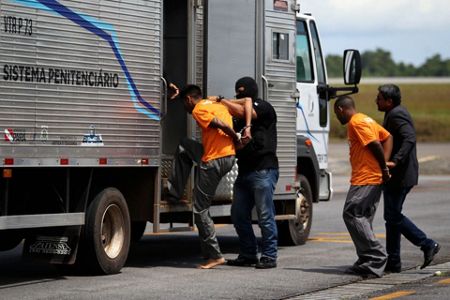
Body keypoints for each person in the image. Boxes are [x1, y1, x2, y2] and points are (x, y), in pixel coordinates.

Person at [164, 84, 242, 269]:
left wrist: (235, 136)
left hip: (214, 160)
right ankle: (175, 191)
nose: (186, 109)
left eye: (185, 104)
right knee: (184, 146)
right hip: (228, 157)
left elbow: (219, 124)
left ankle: (215, 255)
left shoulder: (199, 109)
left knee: (200, 209)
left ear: (189, 100)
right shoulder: (214, 103)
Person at [376, 84, 440, 272]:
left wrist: (395, 161)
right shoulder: (392, 113)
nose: (376, 101)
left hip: (401, 176)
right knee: (391, 217)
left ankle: (427, 244)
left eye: (379, 98)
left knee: (393, 215)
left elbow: (409, 138)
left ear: (389, 101)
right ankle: (394, 261)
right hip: (396, 176)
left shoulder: (397, 114)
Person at [220, 76, 280, 269]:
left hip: (263, 169)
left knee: (264, 215)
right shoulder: (239, 116)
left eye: (242, 91)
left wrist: (221, 101)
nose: (239, 93)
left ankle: (269, 256)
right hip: (245, 171)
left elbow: (243, 109)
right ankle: (248, 254)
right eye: (237, 90)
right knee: (238, 215)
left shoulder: (263, 107)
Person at [334, 95, 393, 278]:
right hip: (371, 177)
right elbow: (387, 137)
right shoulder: (366, 119)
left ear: (340, 110)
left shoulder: (356, 122)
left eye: (336, 114)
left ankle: (376, 257)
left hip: (365, 178)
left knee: (352, 213)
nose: (337, 118)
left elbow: (375, 144)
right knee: (363, 218)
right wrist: (385, 162)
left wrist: (383, 167)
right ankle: (366, 261)